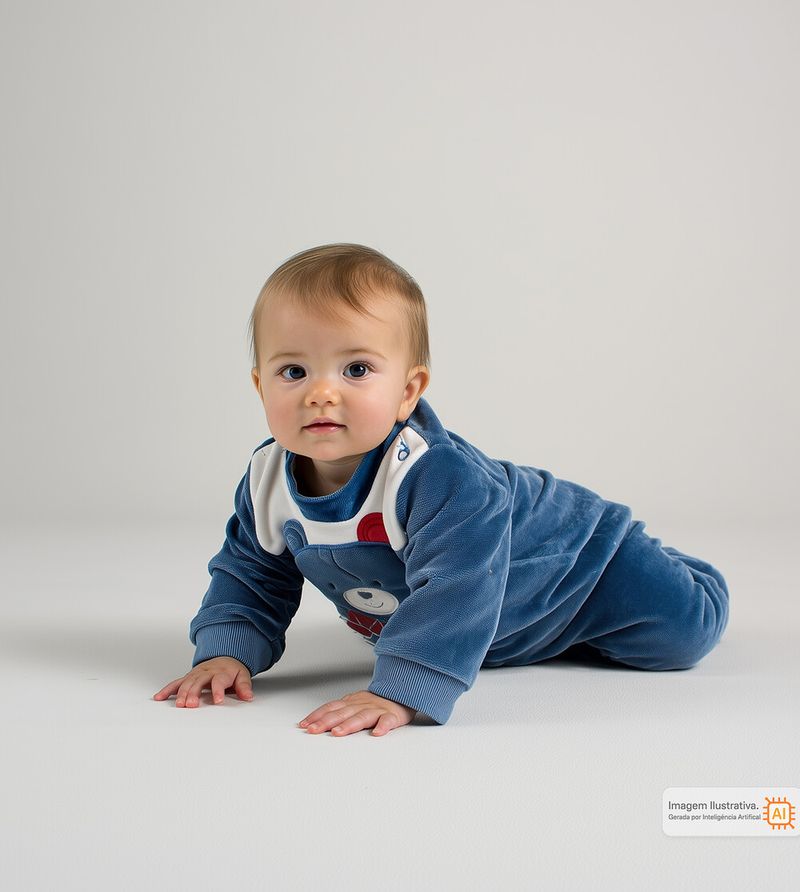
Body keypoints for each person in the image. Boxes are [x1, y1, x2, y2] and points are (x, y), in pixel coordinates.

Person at [153, 243, 730, 735]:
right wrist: (226, 649)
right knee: (496, 632)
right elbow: (251, 573)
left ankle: (677, 572)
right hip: (497, 627)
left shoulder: (434, 476)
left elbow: (458, 582)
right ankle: (537, 642)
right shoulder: (268, 479)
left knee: (683, 635)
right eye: (293, 371)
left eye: (356, 370)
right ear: (260, 386)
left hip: (580, 563)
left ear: (408, 391)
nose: (321, 393)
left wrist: (402, 688)